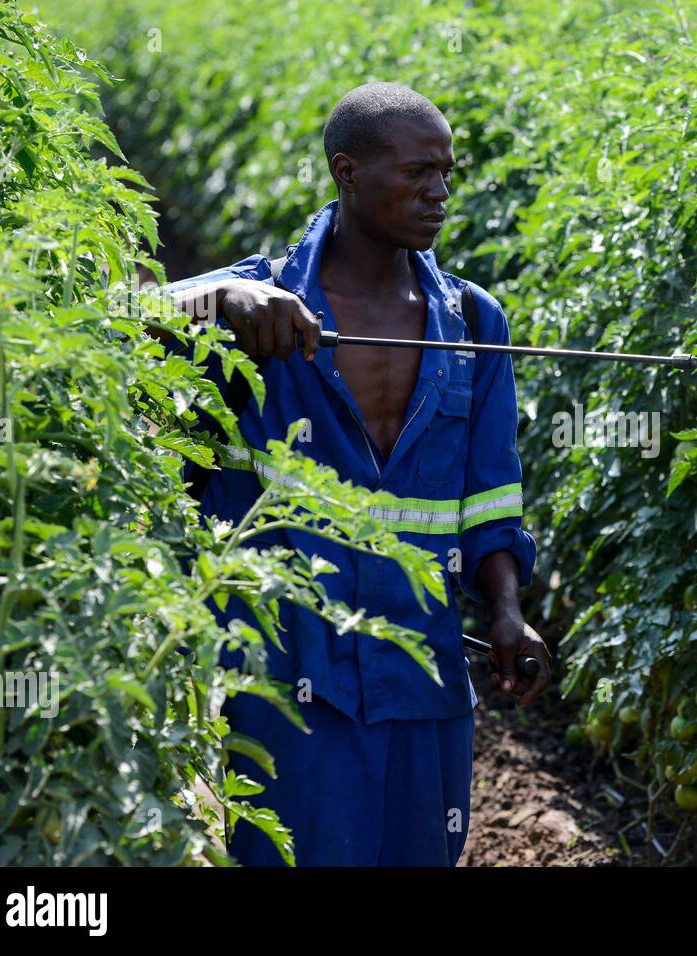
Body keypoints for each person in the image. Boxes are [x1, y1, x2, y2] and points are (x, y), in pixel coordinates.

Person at [161, 82, 552, 866]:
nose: (439, 192)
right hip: (286, 668)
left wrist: (508, 608)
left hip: (423, 665)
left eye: (447, 173)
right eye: (416, 173)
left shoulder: (474, 324)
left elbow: (490, 491)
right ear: (347, 172)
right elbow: (107, 316)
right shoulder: (257, 301)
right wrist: (217, 297)